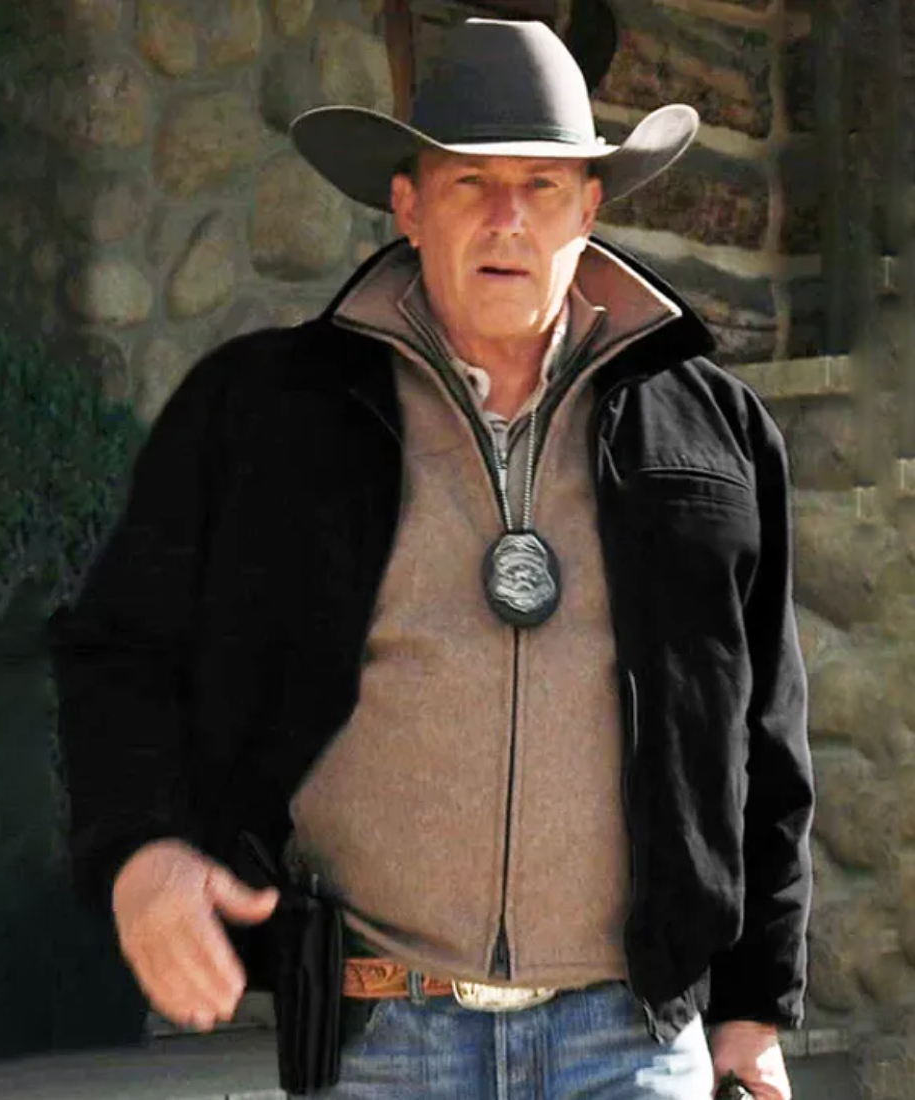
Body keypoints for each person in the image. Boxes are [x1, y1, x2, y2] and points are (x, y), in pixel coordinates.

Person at [49, 17, 813, 1100]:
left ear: (589, 208)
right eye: (468, 184)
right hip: (379, 1038)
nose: (508, 219)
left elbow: (764, 734)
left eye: (541, 185)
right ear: (407, 205)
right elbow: (117, 650)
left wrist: (753, 1006)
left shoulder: (714, 430)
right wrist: (141, 851)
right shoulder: (264, 413)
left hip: (634, 1041)